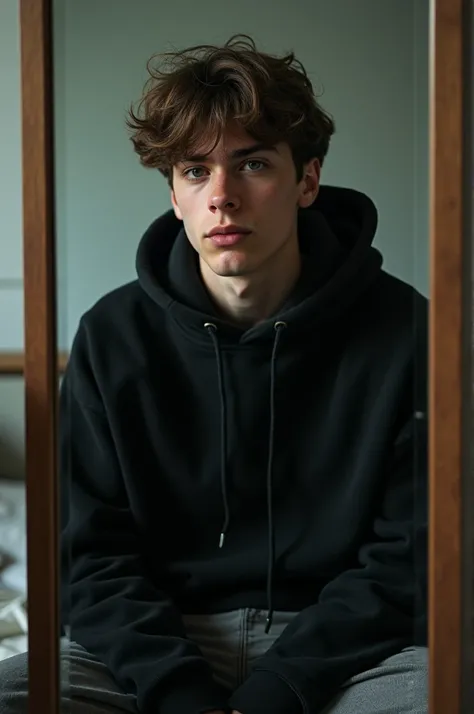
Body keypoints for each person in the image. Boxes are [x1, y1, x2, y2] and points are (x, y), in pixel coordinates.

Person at [0, 34, 428, 714]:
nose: (222, 197)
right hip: (153, 642)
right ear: (174, 194)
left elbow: (411, 557)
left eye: (251, 163)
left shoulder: (406, 330)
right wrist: (178, 690)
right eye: (196, 171)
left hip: (345, 648)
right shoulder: (112, 338)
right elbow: (90, 559)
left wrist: (282, 689)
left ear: (307, 180)